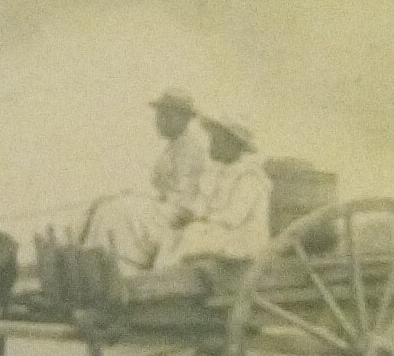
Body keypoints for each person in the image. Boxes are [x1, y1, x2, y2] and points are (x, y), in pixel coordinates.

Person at [79, 88, 210, 271]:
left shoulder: (191, 150)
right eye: (160, 115)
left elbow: (183, 197)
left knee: (118, 211)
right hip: (166, 208)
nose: (159, 121)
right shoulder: (174, 147)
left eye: (167, 116)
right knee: (106, 206)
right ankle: (95, 259)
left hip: (178, 213)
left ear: (184, 119)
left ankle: (117, 264)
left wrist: (141, 200)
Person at [157, 115, 271, 268]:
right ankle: (160, 273)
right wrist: (189, 214)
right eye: (212, 140)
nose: (211, 145)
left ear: (233, 145)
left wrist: (197, 218)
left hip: (243, 238)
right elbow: (204, 204)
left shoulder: (250, 177)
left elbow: (233, 217)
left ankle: (173, 273)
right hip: (220, 231)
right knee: (173, 230)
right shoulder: (218, 172)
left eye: (217, 141)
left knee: (193, 233)